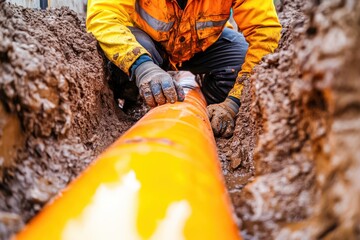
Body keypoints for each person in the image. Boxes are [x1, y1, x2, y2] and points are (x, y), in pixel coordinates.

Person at [86, 0, 281, 137]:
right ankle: (133, 99)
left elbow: (264, 31)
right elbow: (104, 15)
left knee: (238, 58)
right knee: (120, 59)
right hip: (149, 46)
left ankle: (210, 105)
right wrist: (143, 67)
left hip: (202, 45)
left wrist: (234, 102)